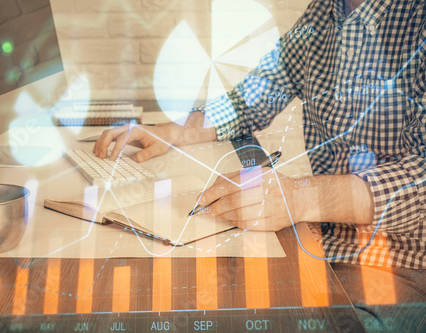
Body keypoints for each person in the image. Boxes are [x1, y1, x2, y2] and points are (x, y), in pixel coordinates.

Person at [94, 0, 425, 329]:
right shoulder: (327, 8)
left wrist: (301, 196)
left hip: (401, 263)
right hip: (324, 236)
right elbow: (264, 87)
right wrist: (175, 131)